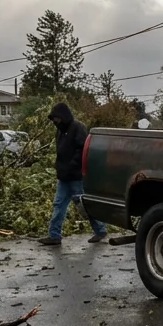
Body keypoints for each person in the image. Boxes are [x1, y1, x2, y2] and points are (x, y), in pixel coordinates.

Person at [39, 102, 107, 246]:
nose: (55, 121)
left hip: (76, 176)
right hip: (63, 177)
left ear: (63, 116)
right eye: (53, 119)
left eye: (56, 118)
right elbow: (60, 152)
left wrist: (72, 166)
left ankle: (100, 230)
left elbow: (82, 149)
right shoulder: (59, 131)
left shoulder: (78, 127)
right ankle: (54, 235)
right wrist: (59, 167)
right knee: (58, 204)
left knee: (83, 205)